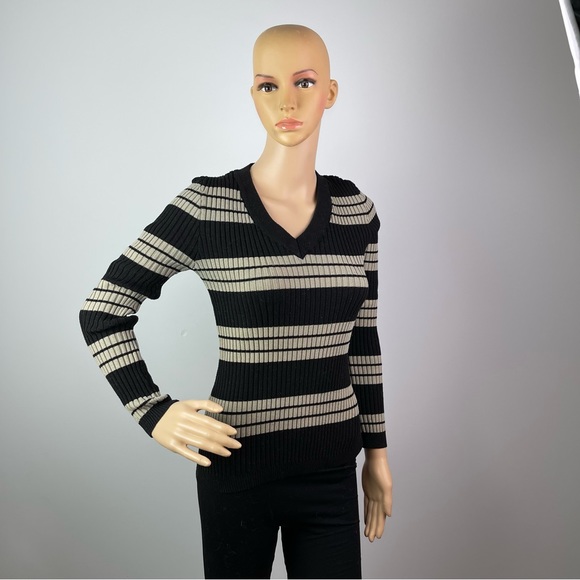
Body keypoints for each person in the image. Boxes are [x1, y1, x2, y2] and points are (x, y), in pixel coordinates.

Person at [79, 23, 393, 579]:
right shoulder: (208, 205)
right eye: (269, 86)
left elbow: (362, 341)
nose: (287, 102)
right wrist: (152, 411)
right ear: (253, 96)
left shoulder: (356, 212)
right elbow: (102, 309)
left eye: (304, 82)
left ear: (330, 93)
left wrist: (378, 453)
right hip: (238, 467)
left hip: (330, 473)